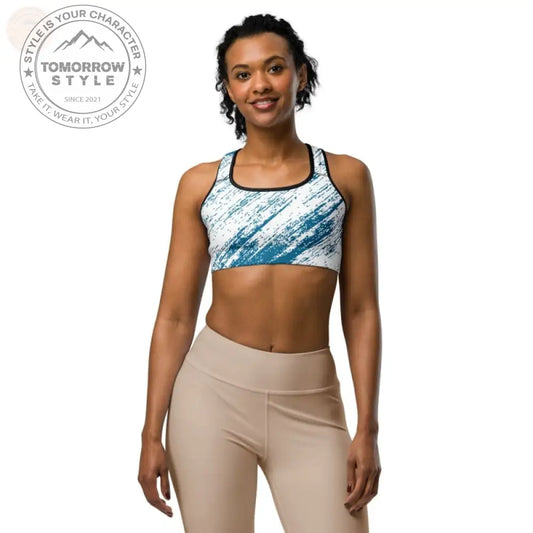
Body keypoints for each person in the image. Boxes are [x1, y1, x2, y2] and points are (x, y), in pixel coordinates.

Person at [138, 13, 381, 533]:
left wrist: (368, 427)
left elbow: (361, 310)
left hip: (311, 401)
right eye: (243, 74)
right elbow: (175, 317)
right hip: (210, 398)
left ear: (301, 74)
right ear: (229, 89)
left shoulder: (346, 177)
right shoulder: (201, 184)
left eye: (274, 68)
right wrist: (150, 433)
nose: (260, 85)